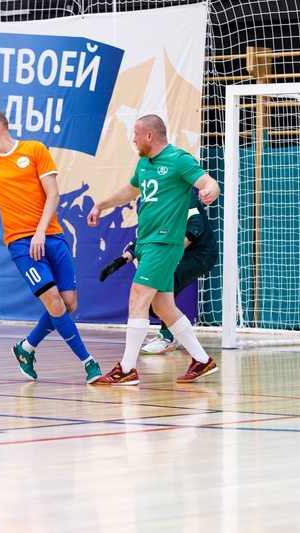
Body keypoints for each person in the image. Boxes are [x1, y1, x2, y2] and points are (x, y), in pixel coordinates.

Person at [87, 114, 221, 385]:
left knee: (138, 297)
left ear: (149, 135)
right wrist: (101, 205)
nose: (133, 139)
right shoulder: (144, 163)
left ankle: (126, 369)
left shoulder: (178, 159)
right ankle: (202, 360)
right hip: (147, 242)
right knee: (163, 306)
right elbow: (130, 190)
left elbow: (209, 182)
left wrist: (211, 191)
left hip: (164, 242)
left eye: (136, 134)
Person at [0, 109, 102, 384]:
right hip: (20, 243)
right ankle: (89, 363)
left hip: (51, 235)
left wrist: (41, 231)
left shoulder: (34, 150)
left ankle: (26, 348)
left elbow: (53, 194)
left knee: (69, 304)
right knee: (53, 301)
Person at [100, 189, 219, 355]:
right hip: (178, 252)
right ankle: (193, 352)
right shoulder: (154, 202)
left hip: (201, 254)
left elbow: (196, 225)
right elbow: (148, 237)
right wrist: (121, 261)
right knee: (154, 301)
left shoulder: (182, 193)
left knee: (162, 287)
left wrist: (170, 253)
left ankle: (167, 338)